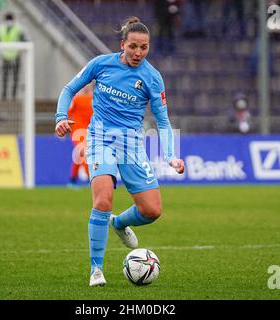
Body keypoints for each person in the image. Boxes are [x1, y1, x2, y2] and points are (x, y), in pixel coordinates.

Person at [55, 16, 185, 287]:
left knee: (152, 210)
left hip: (131, 145)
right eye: (133, 46)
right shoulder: (101, 64)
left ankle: (117, 223)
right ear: (122, 44)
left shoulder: (152, 77)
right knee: (102, 200)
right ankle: (96, 270)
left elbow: (162, 120)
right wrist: (60, 117)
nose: (138, 53)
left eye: (144, 47)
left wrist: (171, 154)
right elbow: (69, 89)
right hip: (100, 139)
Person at [67, 83, 94, 188]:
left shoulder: (94, 99)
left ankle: (72, 180)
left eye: (89, 84)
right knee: (83, 152)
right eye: (85, 85)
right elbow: (68, 112)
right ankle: (90, 179)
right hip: (78, 131)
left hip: (90, 131)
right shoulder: (76, 99)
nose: (86, 86)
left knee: (80, 155)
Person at [0, 12, 27, 100]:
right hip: (5, 57)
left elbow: (24, 39)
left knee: (15, 78)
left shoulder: (18, 28)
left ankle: (13, 96)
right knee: (5, 78)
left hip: (15, 57)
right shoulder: (0, 29)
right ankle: (4, 96)